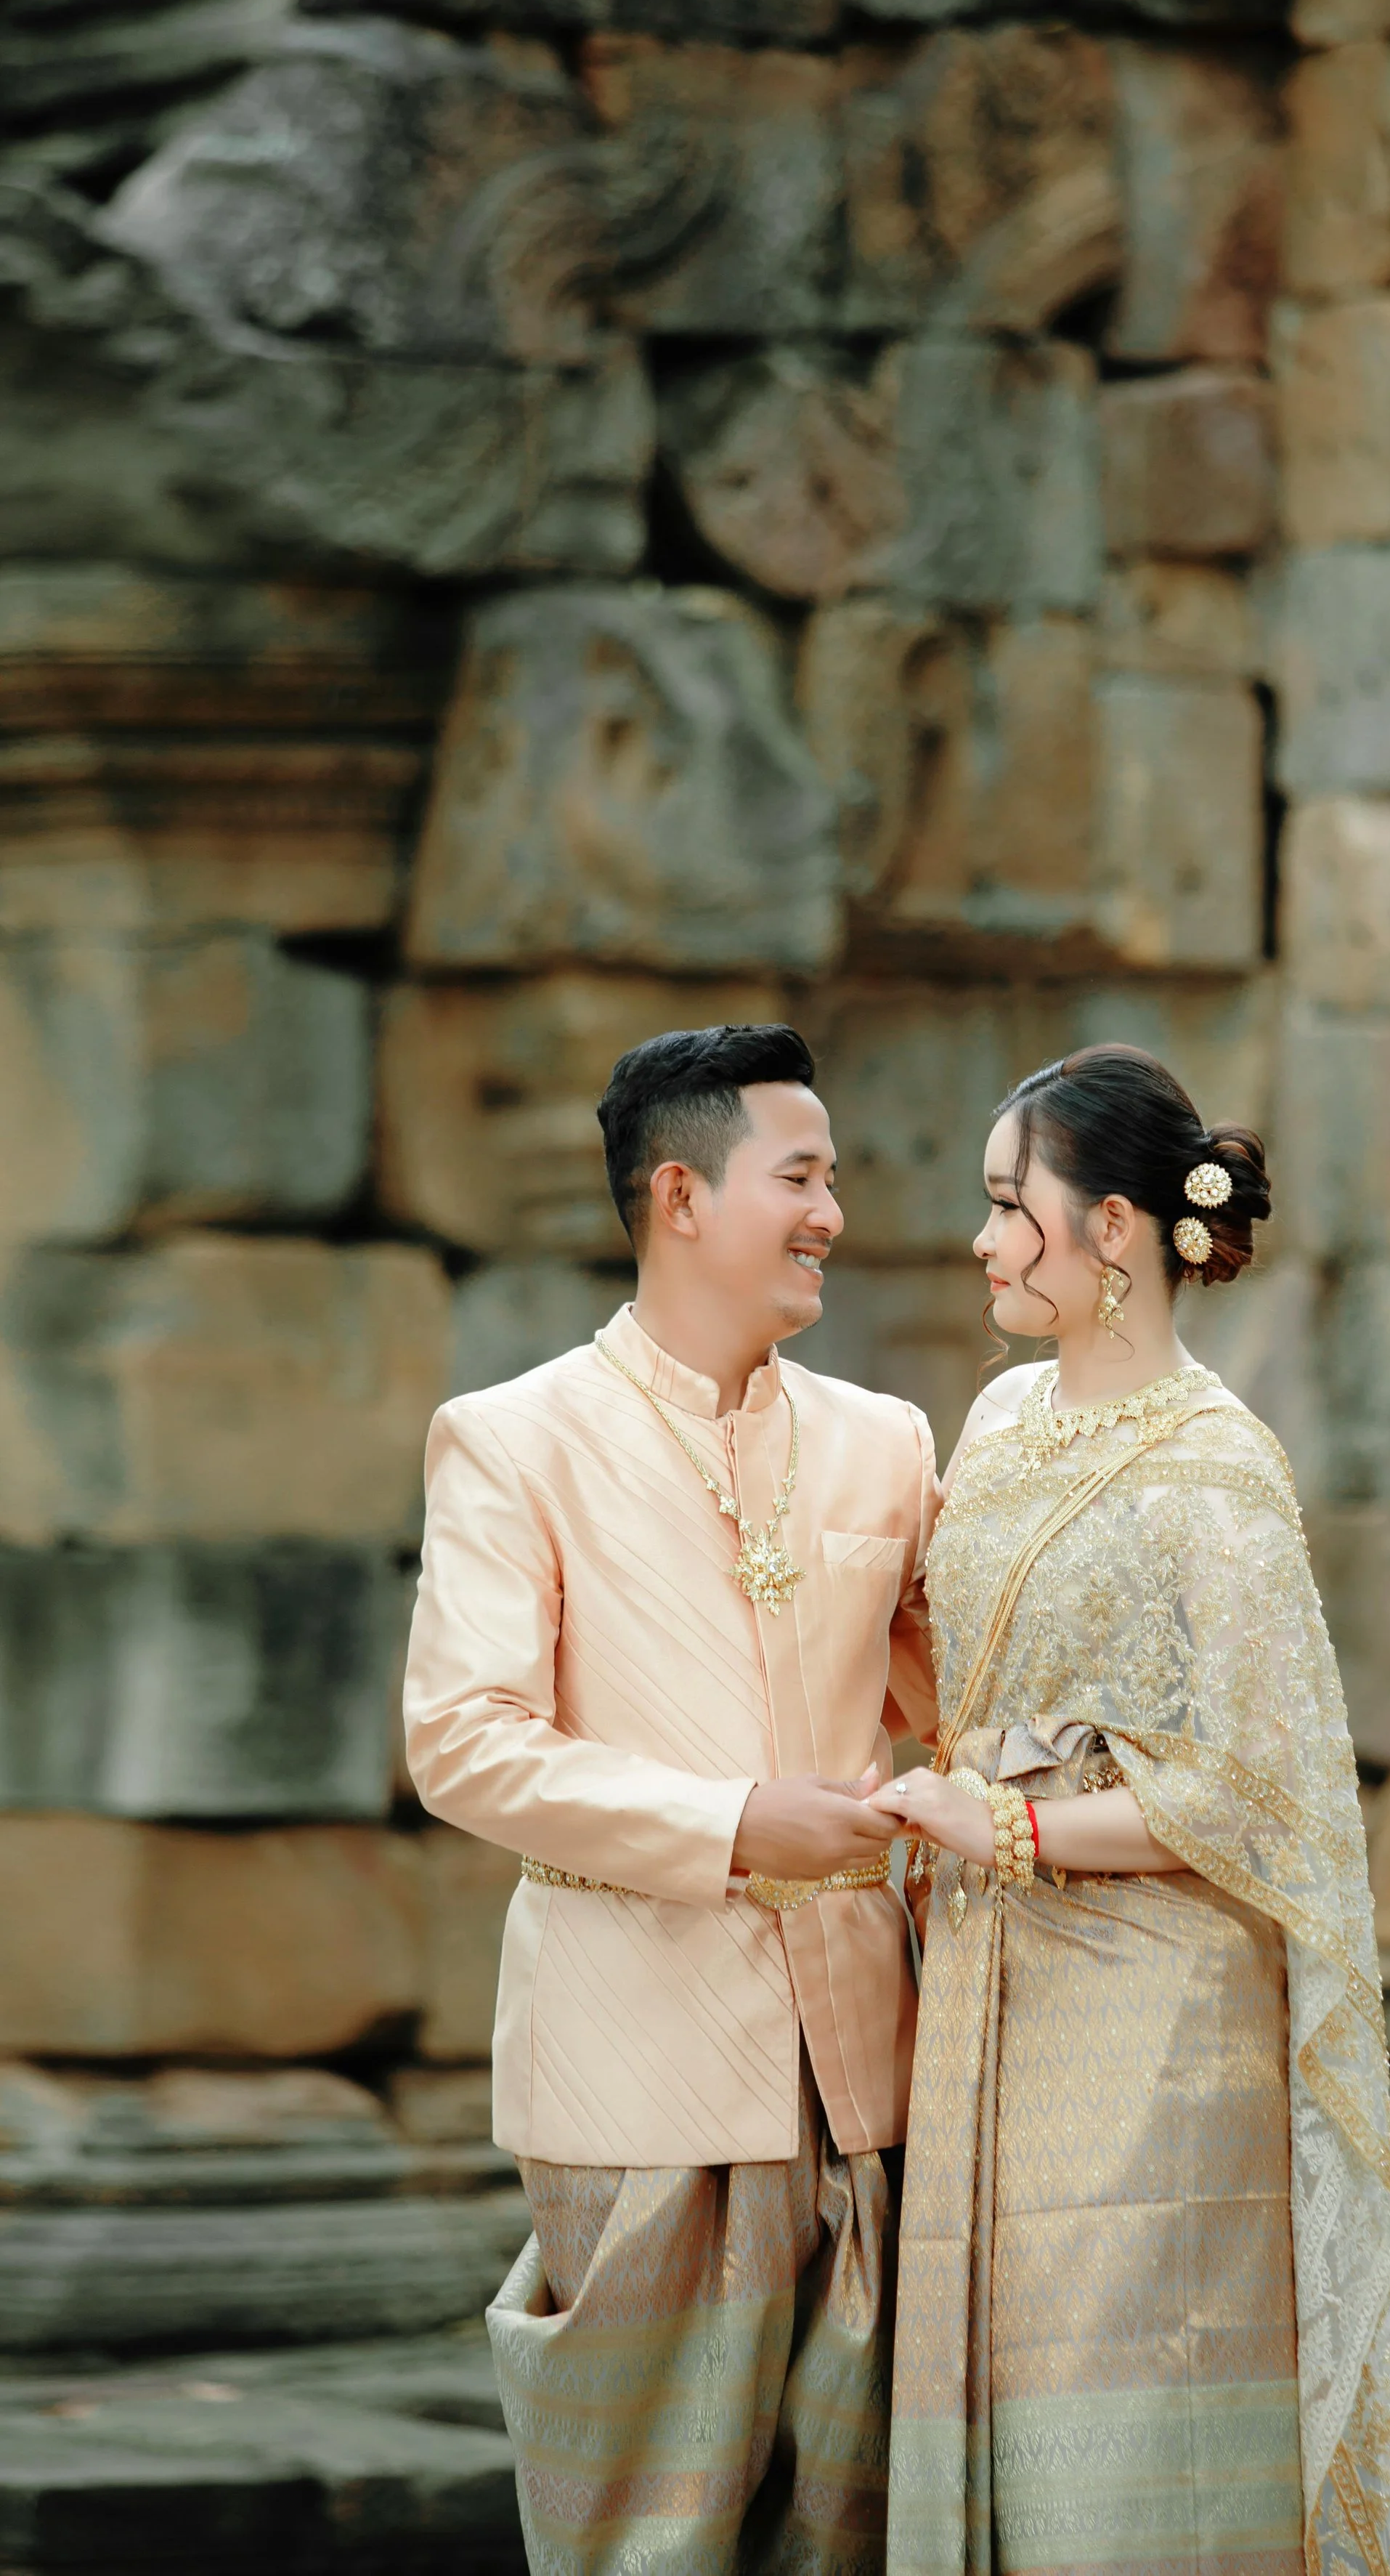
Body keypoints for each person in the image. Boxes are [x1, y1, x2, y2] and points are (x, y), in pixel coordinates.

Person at [872, 1045, 1390, 2576]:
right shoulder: (994, 1425)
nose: (986, 1239)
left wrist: (1004, 1830)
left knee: (1115, 2408)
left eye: (1012, 1207)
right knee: (984, 2391)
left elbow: (1259, 1793)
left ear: (1112, 1228)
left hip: (1153, 2006)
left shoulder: (1215, 1467)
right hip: (982, 1983)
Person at [402, 1022, 935, 2576]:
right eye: (801, 1176)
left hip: (865, 2085)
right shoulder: (512, 1442)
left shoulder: (885, 1442)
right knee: (645, 2544)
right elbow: (464, 1741)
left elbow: (956, 1712)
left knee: (844, 2544)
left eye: (832, 1177)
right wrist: (726, 1828)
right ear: (681, 1196)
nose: (831, 1209)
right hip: (632, 2080)